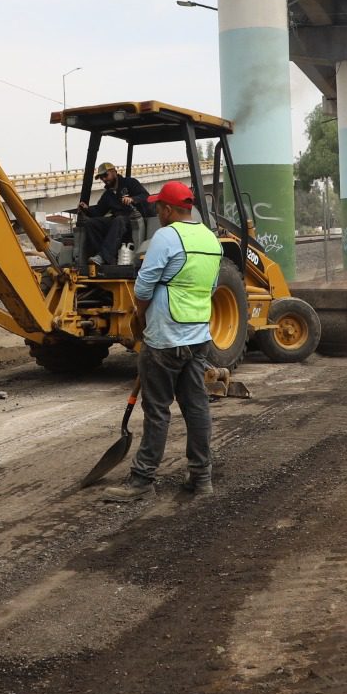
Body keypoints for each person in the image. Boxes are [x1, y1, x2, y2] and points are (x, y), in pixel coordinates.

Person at [102, 180, 220, 502]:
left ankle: (141, 480)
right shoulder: (211, 239)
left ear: (167, 209)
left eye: (159, 208)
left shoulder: (166, 237)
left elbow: (142, 289)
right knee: (196, 408)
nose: (157, 212)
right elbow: (210, 288)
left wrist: (140, 318)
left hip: (165, 339)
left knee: (157, 410)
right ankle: (202, 477)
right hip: (198, 337)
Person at [78, 161, 150, 268]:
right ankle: (102, 257)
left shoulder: (130, 183)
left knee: (119, 220)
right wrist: (87, 209)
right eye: (101, 178)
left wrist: (132, 199)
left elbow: (145, 196)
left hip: (133, 220)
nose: (104, 179)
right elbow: (98, 211)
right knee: (91, 223)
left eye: (105, 175)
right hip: (118, 221)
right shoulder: (108, 194)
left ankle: (103, 256)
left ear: (114, 172)